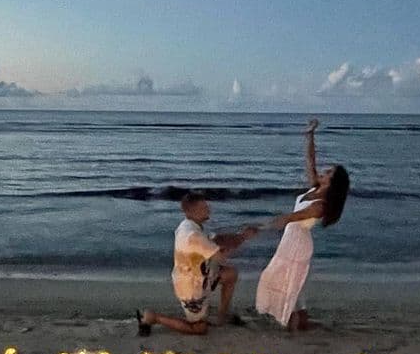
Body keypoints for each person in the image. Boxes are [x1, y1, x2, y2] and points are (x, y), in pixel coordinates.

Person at [255, 119, 350, 331]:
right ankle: (298, 319)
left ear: (331, 183)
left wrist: (261, 227)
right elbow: (310, 160)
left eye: (329, 173)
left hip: (298, 243)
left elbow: (290, 217)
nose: (323, 173)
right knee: (291, 284)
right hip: (292, 239)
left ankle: (294, 320)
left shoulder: (320, 205)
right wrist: (310, 135)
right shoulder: (315, 188)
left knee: (287, 282)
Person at [137, 191, 257, 336]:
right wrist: (244, 237)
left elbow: (217, 239)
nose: (209, 210)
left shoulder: (191, 225)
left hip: (203, 275)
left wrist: (239, 235)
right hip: (191, 288)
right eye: (204, 208)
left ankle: (222, 316)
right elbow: (221, 257)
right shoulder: (193, 236)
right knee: (199, 329)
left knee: (230, 274)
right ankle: (153, 317)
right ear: (192, 211)